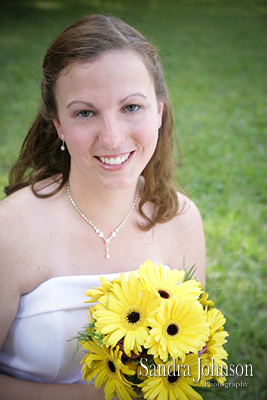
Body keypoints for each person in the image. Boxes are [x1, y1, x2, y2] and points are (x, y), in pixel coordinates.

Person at [0, 14, 206, 399]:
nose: (112, 138)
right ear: (58, 124)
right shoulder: (9, 231)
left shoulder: (182, 219)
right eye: (85, 112)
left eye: (131, 107)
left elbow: (192, 357)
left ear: (159, 111)